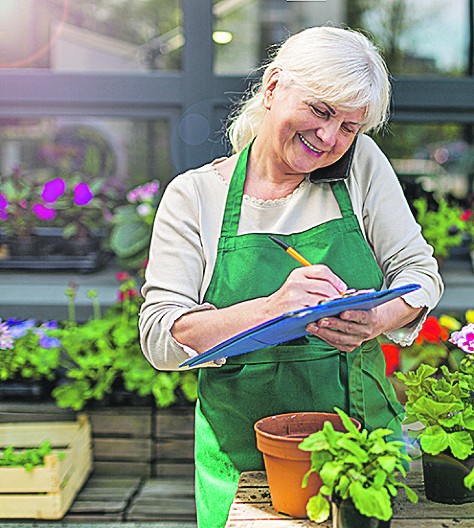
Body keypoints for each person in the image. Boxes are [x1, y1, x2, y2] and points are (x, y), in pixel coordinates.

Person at [138, 26, 443, 528]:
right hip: (243, 458)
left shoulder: (359, 168)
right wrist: (273, 307)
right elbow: (161, 336)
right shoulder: (194, 197)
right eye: (321, 111)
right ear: (274, 86)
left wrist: (378, 318)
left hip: (360, 448)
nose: (329, 139)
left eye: (349, 127)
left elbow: (420, 274)